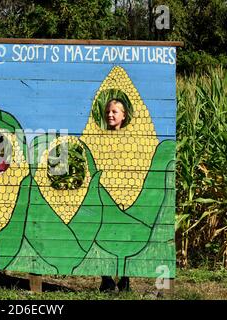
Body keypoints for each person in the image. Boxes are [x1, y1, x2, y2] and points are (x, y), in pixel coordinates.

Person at [99, 98, 130, 292]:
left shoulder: (130, 139)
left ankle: (125, 280)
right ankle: (106, 279)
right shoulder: (100, 138)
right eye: (108, 111)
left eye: (115, 112)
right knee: (103, 236)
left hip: (125, 194)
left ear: (124, 116)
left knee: (127, 237)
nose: (110, 115)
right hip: (105, 194)